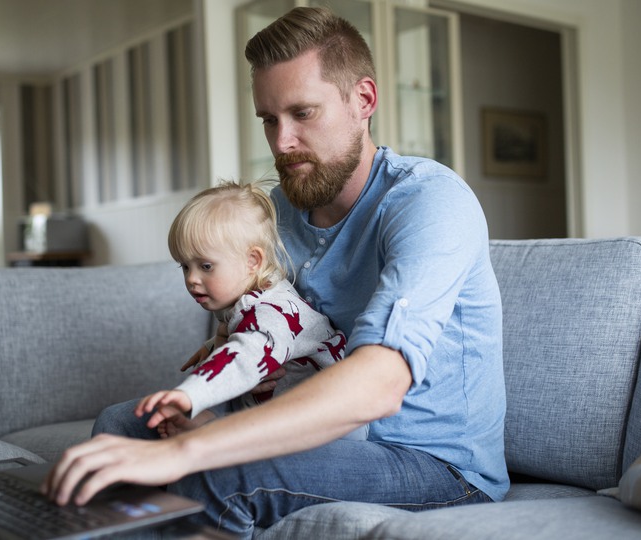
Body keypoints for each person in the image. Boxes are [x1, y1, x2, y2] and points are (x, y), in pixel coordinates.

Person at [43, 7, 508, 537]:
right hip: (321, 438)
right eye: (269, 119)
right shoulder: (276, 211)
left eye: (303, 113)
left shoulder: (428, 201)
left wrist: (190, 450)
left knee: (215, 476)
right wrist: (208, 406)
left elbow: (378, 385)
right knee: (121, 427)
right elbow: (258, 335)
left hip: (431, 463)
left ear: (364, 100)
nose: (282, 142)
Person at [134, 181, 362, 441]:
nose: (191, 279)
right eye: (185, 267)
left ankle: (210, 428)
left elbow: (245, 355)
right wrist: (213, 345)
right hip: (283, 413)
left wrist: (190, 394)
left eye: (205, 266)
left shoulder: (272, 311)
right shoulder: (250, 300)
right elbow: (243, 334)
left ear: (253, 261)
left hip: (333, 426)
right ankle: (209, 424)